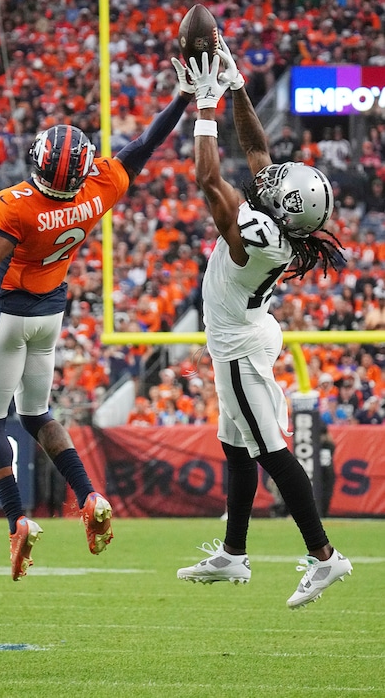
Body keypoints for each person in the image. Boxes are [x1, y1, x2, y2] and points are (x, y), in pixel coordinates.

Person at [0, 79, 194, 581]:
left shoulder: (16, 205)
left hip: (9, 313)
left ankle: (16, 520)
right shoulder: (99, 189)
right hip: (51, 316)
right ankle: (90, 494)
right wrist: (184, 97)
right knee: (36, 412)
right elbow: (146, 142)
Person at [171, 39, 352, 608]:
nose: (268, 180)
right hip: (244, 334)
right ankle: (233, 553)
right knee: (235, 446)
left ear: (285, 211)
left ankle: (325, 557)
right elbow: (254, 143)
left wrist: (205, 106)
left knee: (271, 450)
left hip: (240, 347)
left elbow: (207, 181)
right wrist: (239, 85)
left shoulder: (261, 237)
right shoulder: (280, 224)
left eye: (277, 188)